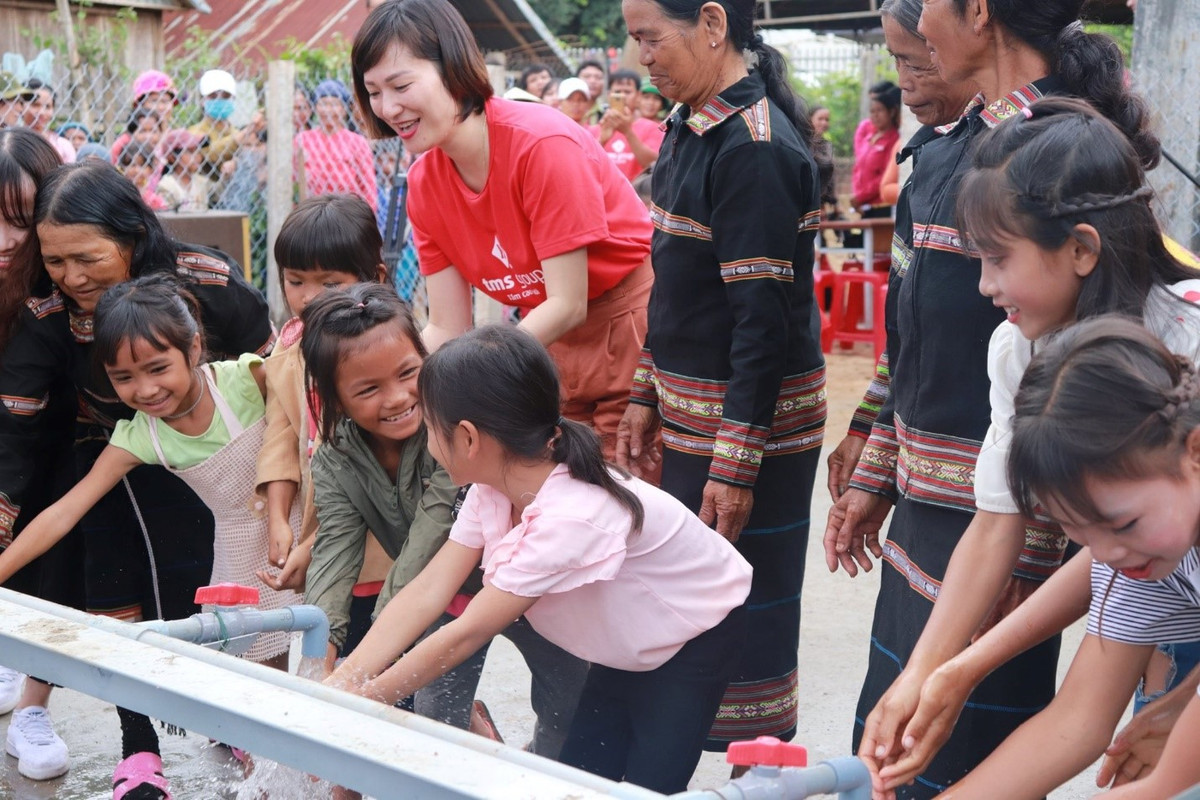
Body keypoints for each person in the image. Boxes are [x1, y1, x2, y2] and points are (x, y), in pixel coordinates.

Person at [825, 0, 1163, 793]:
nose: (985, 289)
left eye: (996, 263)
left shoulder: (1164, 358)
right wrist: (938, 671)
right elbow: (1086, 697)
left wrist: (1181, 699)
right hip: (954, 517)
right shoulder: (1018, 341)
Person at [326, 323, 751, 792]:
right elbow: (428, 588)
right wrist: (343, 682)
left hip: (696, 633)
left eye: (430, 428)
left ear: (467, 438)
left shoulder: (568, 515)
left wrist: (368, 699)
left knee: (646, 785)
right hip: (626, 640)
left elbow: (469, 631)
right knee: (582, 773)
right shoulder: (493, 486)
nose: (427, 441)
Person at [0, 160, 273, 794]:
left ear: (130, 237)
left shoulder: (206, 280)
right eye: (55, 261)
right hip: (115, 457)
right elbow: (17, 437)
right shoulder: (49, 315)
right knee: (118, 594)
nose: (70, 278)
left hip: (226, 464)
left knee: (227, 603)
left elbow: (282, 387)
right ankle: (139, 746)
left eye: (86, 258)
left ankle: (235, 719)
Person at [616, 0, 825, 753]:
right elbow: (676, 287)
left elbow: (761, 325)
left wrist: (736, 466)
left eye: (650, 38)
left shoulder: (756, 149)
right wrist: (646, 393)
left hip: (751, 432)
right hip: (694, 417)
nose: (641, 57)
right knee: (690, 608)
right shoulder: (687, 124)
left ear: (712, 23)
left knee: (753, 615)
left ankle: (762, 773)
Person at [893, 317, 1200, 798]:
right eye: (1077, 530)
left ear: (1193, 452)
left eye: (1121, 525)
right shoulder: (1150, 553)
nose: (1106, 556)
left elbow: (1170, 784)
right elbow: (1076, 720)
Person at [352, 0, 654, 465]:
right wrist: (390, 380)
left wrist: (476, 373)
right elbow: (448, 326)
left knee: (621, 499)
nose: (388, 107)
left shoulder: (541, 144)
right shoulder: (424, 183)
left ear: (452, 68)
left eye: (401, 84)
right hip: (543, 346)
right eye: (373, 91)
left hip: (629, 334)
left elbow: (568, 302)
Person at [300, 286, 588, 757]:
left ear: (426, 360)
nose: (397, 399)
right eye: (368, 389)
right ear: (334, 398)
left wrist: (368, 662)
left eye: (408, 374)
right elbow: (334, 552)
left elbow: (427, 544)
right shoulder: (335, 458)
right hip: (441, 603)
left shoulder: (455, 433)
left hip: (528, 590)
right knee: (437, 720)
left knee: (567, 707)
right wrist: (318, 666)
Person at [822, 0, 978, 503]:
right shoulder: (933, 157)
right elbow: (906, 332)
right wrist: (871, 433)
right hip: (920, 467)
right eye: (895, 61)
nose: (903, 81)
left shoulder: (1018, 157)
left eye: (916, 60)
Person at [0, 129, 71, 756]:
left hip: (63, 439)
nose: (5, 241)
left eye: (20, 222)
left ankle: (33, 704)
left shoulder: (63, 278)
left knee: (51, 562)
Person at [294, 79, 378, 211]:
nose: (328, 109)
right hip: (310, 212)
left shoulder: (357, 142)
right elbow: (294, 178)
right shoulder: (303, 139)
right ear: (315, 108)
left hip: (347, 212)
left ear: (344, 110)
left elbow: (368, 187)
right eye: (323, 104)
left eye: (334, 104)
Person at [592, 69, 664, 181]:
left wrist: (628, 132)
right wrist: (602, 140)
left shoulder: (652, 128)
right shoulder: (596, 129)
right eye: (617, 91)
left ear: (638, 95)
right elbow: (584, 164)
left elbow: (655, 164)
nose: (622, 96)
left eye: (627, 92)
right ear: (608, 94)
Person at [850, 80, 901, 218]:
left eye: (880, 110)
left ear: (891, 112)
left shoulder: (894, 139)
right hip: (864, 205)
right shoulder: (868, 138)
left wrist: (860, 196)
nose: (875, 115)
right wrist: (856, 195)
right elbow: (857, 168)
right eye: (872, 111)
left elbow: (885, 176)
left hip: (883, 205)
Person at [110, 70, 177, 162]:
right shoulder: (124, 143)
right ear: (140, 105)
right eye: (154, 101)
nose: (161, 107)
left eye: (165, 101)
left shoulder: (177, 139)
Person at [189, 69, 241, 178]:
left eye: (225, 96)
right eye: (213, 96)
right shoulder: (194, 132)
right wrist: (237, 140)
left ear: (233, 99)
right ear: (202, 101)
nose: (219, 99)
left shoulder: (236, 131)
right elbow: (209, 153)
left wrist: (236, 162)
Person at [156, 130, 212, 212]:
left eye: (198, 150)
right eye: (190, 151)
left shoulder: (202, 182)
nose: (197, 156)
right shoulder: (166, 186)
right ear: (172, 157)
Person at [21, 80, 75, 163]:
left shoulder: (63, 146)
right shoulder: (10, 142)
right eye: (35, 105)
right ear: (20, 105)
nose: (41, 112)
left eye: (48, 106)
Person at [809, 105, 838, 218]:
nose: (824, 123)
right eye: (820, 119)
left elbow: (831, 177)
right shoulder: (803, 143)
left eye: (827, 120)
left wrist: (835, 202)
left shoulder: (827, 145)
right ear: (809, 120)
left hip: (824, 202)